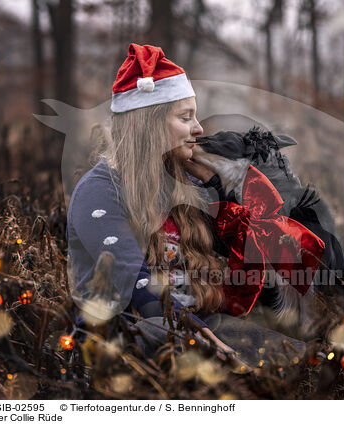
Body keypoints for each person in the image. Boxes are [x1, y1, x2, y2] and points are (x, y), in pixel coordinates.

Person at [66, 43, 306, 365]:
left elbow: (252, 273)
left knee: (299, 360)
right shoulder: (99, 192)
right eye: (185, 117)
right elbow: (139, 290)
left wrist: (216, 187)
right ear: (148, 125)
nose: (199, 129)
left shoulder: (187, 187)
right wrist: (210, 346)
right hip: (124, 340)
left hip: (192, 327)